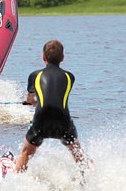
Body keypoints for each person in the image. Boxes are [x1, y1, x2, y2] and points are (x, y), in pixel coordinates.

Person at [15, 39, 89, 173]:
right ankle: (87, 176)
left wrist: (31, 102)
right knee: (77, 153)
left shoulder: (34, 76)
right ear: (63, 58)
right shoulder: (70, 77)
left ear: (43, 57)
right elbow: (55, 95)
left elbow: (31, 99)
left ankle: (17, 176)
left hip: (41, 119)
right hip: (63, 120)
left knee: (26, 153)